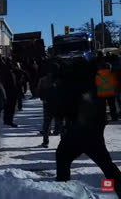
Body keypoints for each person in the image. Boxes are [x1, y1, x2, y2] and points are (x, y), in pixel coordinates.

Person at [55, 58, 121, 198]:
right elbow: (110, 98)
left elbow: (63, 106)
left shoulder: (70, 82)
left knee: (62, 157)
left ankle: (62, 191)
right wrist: (110, 116)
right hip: (95, 128)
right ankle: (113, 190)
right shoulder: (102, 77)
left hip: (76, 130)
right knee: (105, 164)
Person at [37, 62, 63, 148]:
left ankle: (45, 141)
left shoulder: (43, 80)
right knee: (60, 124)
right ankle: (64, 142)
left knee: (47, 124)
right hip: (58, 105)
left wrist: (43, 99)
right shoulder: (61, 80)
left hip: (48, 104)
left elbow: (39, 91)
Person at [0, 59, 19, 127]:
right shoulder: (10, 73)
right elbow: (13, 84)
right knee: (11, 107)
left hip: (7, 92)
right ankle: (9, 121)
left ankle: (7, 120)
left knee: (7, 107)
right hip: (11, 92)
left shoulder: (4, 72)